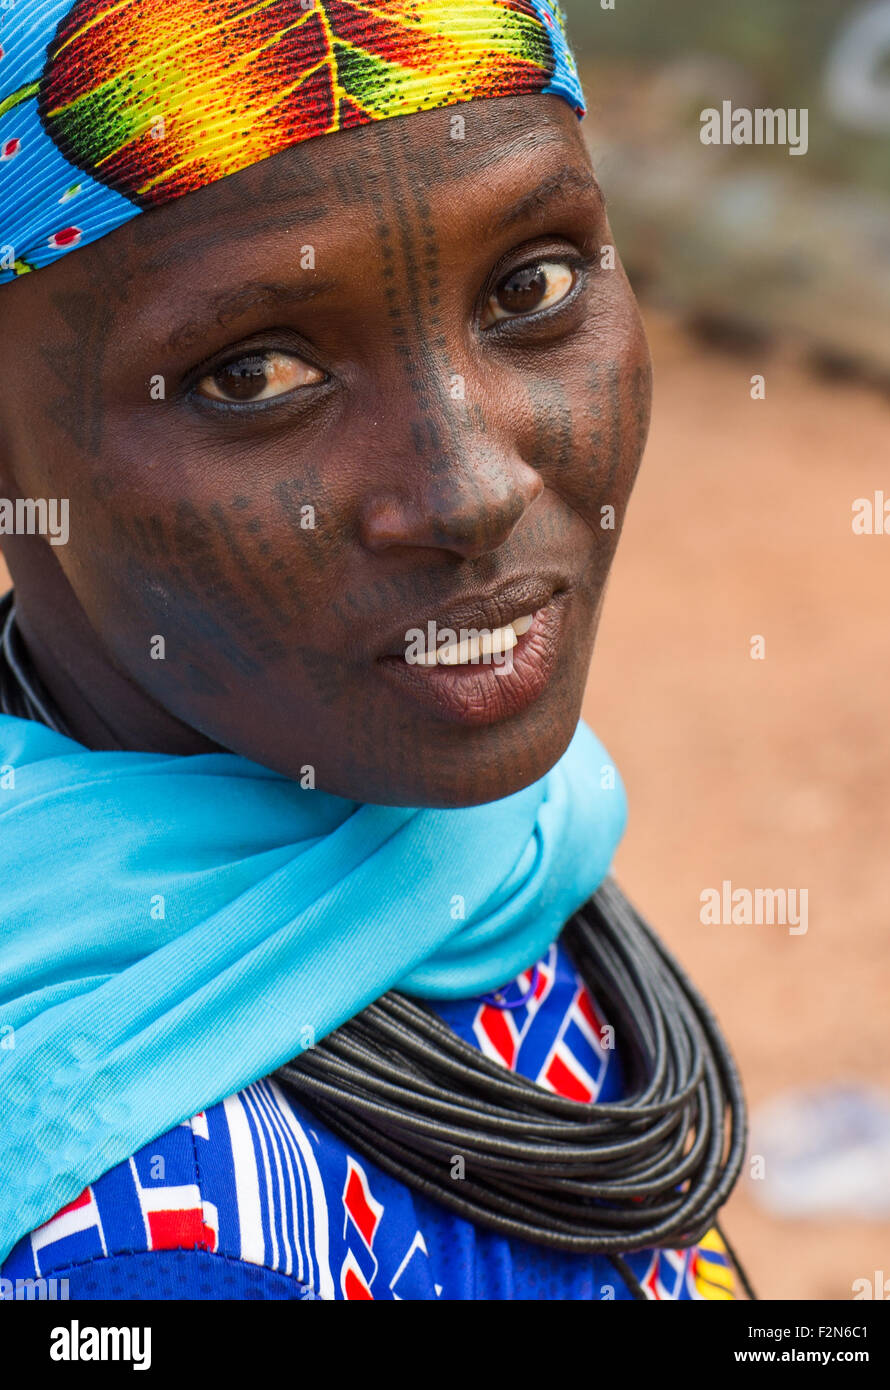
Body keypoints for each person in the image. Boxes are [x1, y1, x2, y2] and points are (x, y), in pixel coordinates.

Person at [0, 0, 747, 1300]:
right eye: (252, 374)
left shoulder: (493, 852)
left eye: (533, 286)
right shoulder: (150, 1251)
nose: (468, 491)